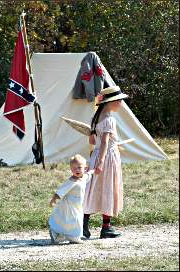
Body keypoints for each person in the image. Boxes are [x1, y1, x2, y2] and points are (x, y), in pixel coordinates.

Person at [83, 85, 128, 239]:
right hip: (107, 158)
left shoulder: (94, 118)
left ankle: (83, 225)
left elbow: (92, 140)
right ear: (110, 102)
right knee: (108, 188)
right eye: (119, 100)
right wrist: (101, 162)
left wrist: (96, 158)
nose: (120, 103)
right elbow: (104, 143)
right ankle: (105, 227)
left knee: (92, 188)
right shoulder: (109, 119)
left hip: (96, 155)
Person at [49, 154, 94, 244]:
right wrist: (54, 199)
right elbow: (61, 190)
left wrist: (93, 171)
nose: (76, 170)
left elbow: (88, 175)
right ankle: (73, 237)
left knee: (74, 220)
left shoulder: (83, 177)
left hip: (77, 205)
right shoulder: (72, 181)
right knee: (75, 220)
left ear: (85, 168)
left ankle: (60, 235)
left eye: (79, 168)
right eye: (74, 168)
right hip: (69, 205)